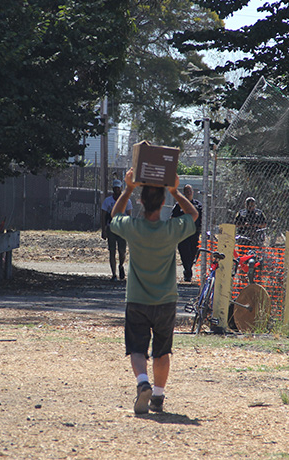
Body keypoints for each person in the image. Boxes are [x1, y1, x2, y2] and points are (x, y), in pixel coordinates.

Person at [110, 168, 198, 414]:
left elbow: (114, 215)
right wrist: (175, 191)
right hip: (166, 301)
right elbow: (193, 213)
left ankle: (142, 382)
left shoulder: (132, 228)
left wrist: (128, 188)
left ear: (141, 201)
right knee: (162, 351)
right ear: (163, 203)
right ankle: (157, 396)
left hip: (137, 300)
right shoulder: (171, 230)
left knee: (137, 349)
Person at [100, 179, 132, 281]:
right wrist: (104, 230)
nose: (117, 190)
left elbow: (129, 215)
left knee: (122, 251)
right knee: (112, 251)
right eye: (115, 188)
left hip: (122, 228)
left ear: (121, 188)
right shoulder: (108, 201)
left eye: (118, 188)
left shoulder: (126, 200)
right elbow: (103, 215)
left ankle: (121, 265)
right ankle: (114, 274)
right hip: (111, 227)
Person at [171, 184, 203, 282]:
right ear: (184, 193)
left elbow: (202, 217)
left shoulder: (197, 205)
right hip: (183, 233)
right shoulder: (179, 205)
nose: (189, 193)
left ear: (193, 193)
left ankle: (189, 267)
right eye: (187, 192)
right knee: (184, 253)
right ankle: (187, 272)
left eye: (190, 191)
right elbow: (173, 218)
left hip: (194, 232)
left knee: (193, 252)